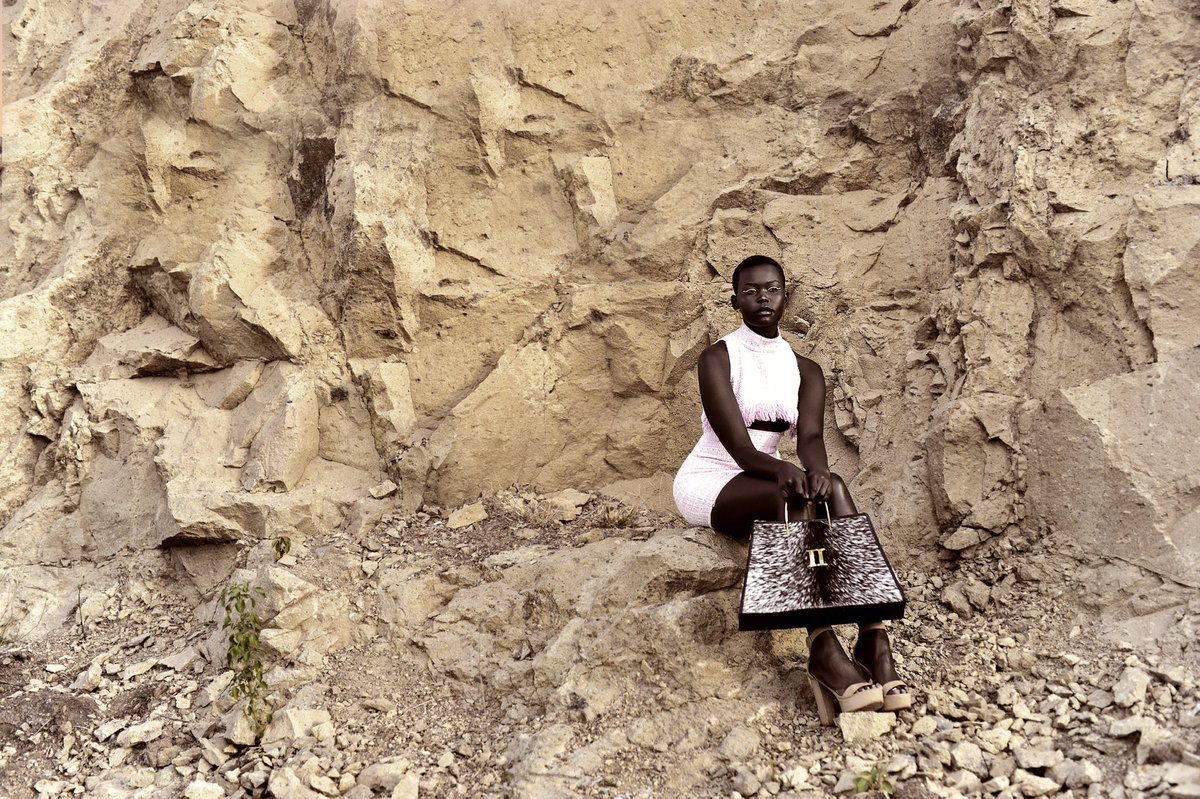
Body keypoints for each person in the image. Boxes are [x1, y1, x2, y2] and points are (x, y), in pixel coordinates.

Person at [672, 254, 910, 725]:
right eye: (751, 290)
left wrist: (817, 471)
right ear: (734, 299)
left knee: (833, 486)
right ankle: (822, 647)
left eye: (773, 288)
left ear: (786, 295)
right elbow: (739, 448)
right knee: (791, 496)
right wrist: (785, 472)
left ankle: (873, 634)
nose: (763, 297)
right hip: (713, 477)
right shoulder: (718, 357)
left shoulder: (807, 369)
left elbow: (811, 441)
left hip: (770, 475)